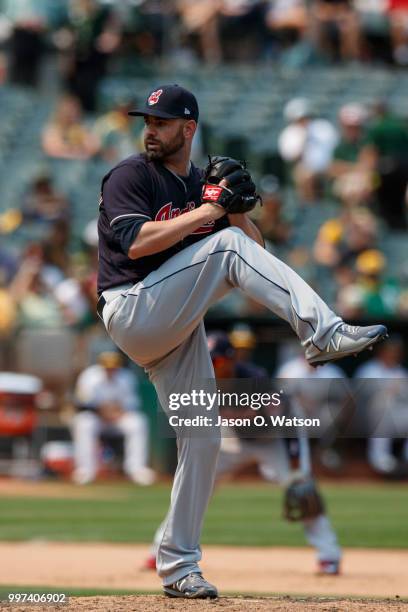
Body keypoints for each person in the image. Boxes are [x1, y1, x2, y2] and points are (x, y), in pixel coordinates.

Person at [97, 83, 387, 599]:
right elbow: (138, 241)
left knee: (204, 439)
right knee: (224, 247)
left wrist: (236, 211)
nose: (150, 131)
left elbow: (256, 255)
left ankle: (179, 568)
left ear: (189, 129)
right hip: (133, 307)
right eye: (147, 121)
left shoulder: (198, 185)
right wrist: (213, 216)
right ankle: (322, 332)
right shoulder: (130, 175)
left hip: (177, 328)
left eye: (161, 122)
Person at [145, 332, 341, 575]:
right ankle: (160, 551)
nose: (211, 365)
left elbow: (289, 420)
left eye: (216, 360)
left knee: (301, 490)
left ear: (230, 360)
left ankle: (329, 556)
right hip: (235, 438)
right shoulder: (199, 381)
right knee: (191, 486)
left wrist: (295, 463)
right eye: (208, 359)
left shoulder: (255, 379)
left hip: (275, 440)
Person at [72, 351, 155, 485]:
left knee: (137, 422)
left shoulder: (126, 377)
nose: (110, 370)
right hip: (97, 418)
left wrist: (116, 413)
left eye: (113, 367)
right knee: (84, 422)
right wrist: (103, 411)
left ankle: (136, 469)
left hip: (118, 419)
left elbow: (131, 404)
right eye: (107, 367)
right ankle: (85, 470)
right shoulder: (89, 376)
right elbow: (83, 403)